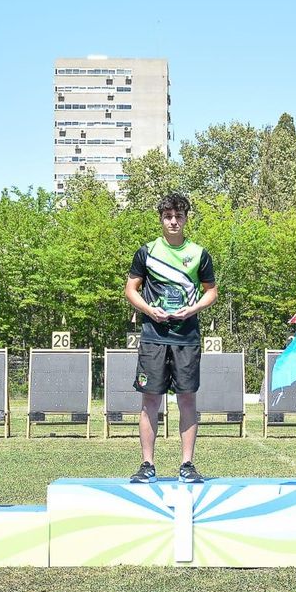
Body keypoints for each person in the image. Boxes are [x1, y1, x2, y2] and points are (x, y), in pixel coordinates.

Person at [124, 192, 218, 484]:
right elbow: (130, 290)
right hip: (153, 337)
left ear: (186, 218)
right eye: (168, 217)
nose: (173, 221)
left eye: (179, 216)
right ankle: (147, 464)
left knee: (187, 400)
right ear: (161, 219)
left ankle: (187, 464)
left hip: (186, 337)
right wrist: (149, 310)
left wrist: (194, 308)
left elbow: (211, 292)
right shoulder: (147, 252)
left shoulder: (199, 254)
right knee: (150, 401)